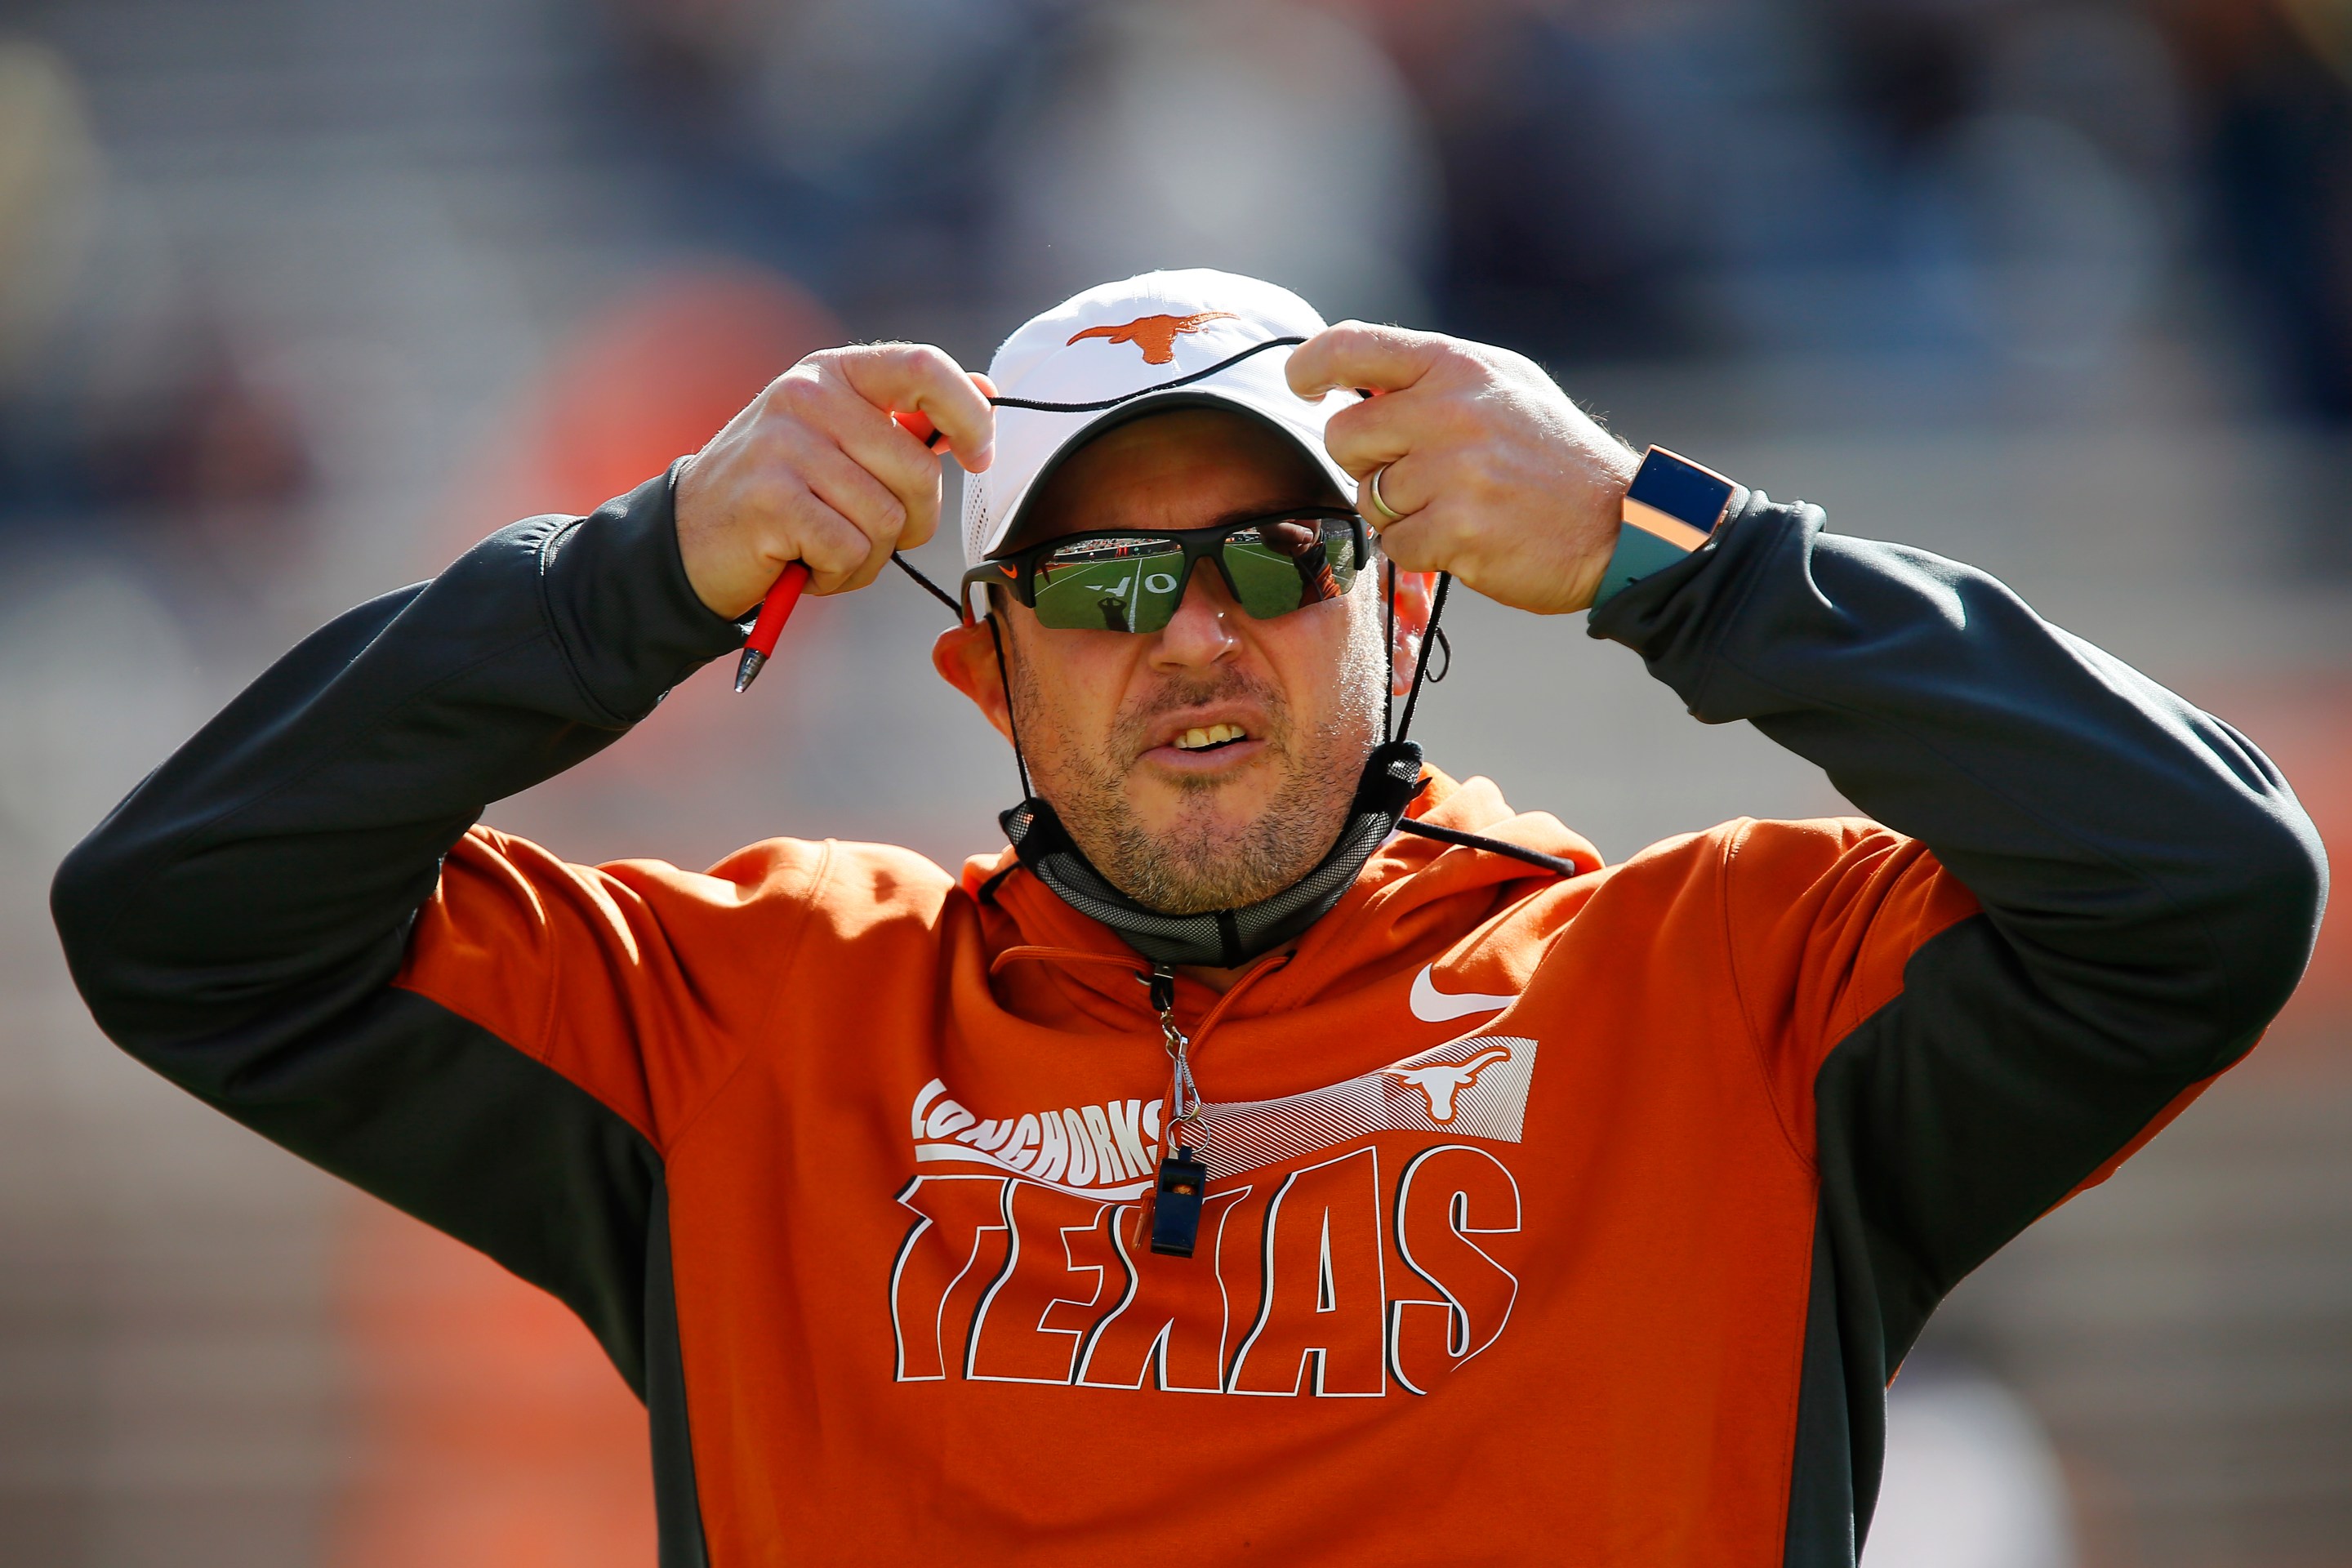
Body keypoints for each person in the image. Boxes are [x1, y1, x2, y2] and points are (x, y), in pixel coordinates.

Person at [51, 270, 2325, 1566]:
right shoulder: (753, 1018)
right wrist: (643, 572)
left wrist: (1682, 551)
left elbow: (2204, 888)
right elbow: (185, 915)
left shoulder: (1722, 993)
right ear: (989, 669)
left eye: (1271, 557)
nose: (1197, 638)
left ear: (1407, 605)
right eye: (1109, 584)